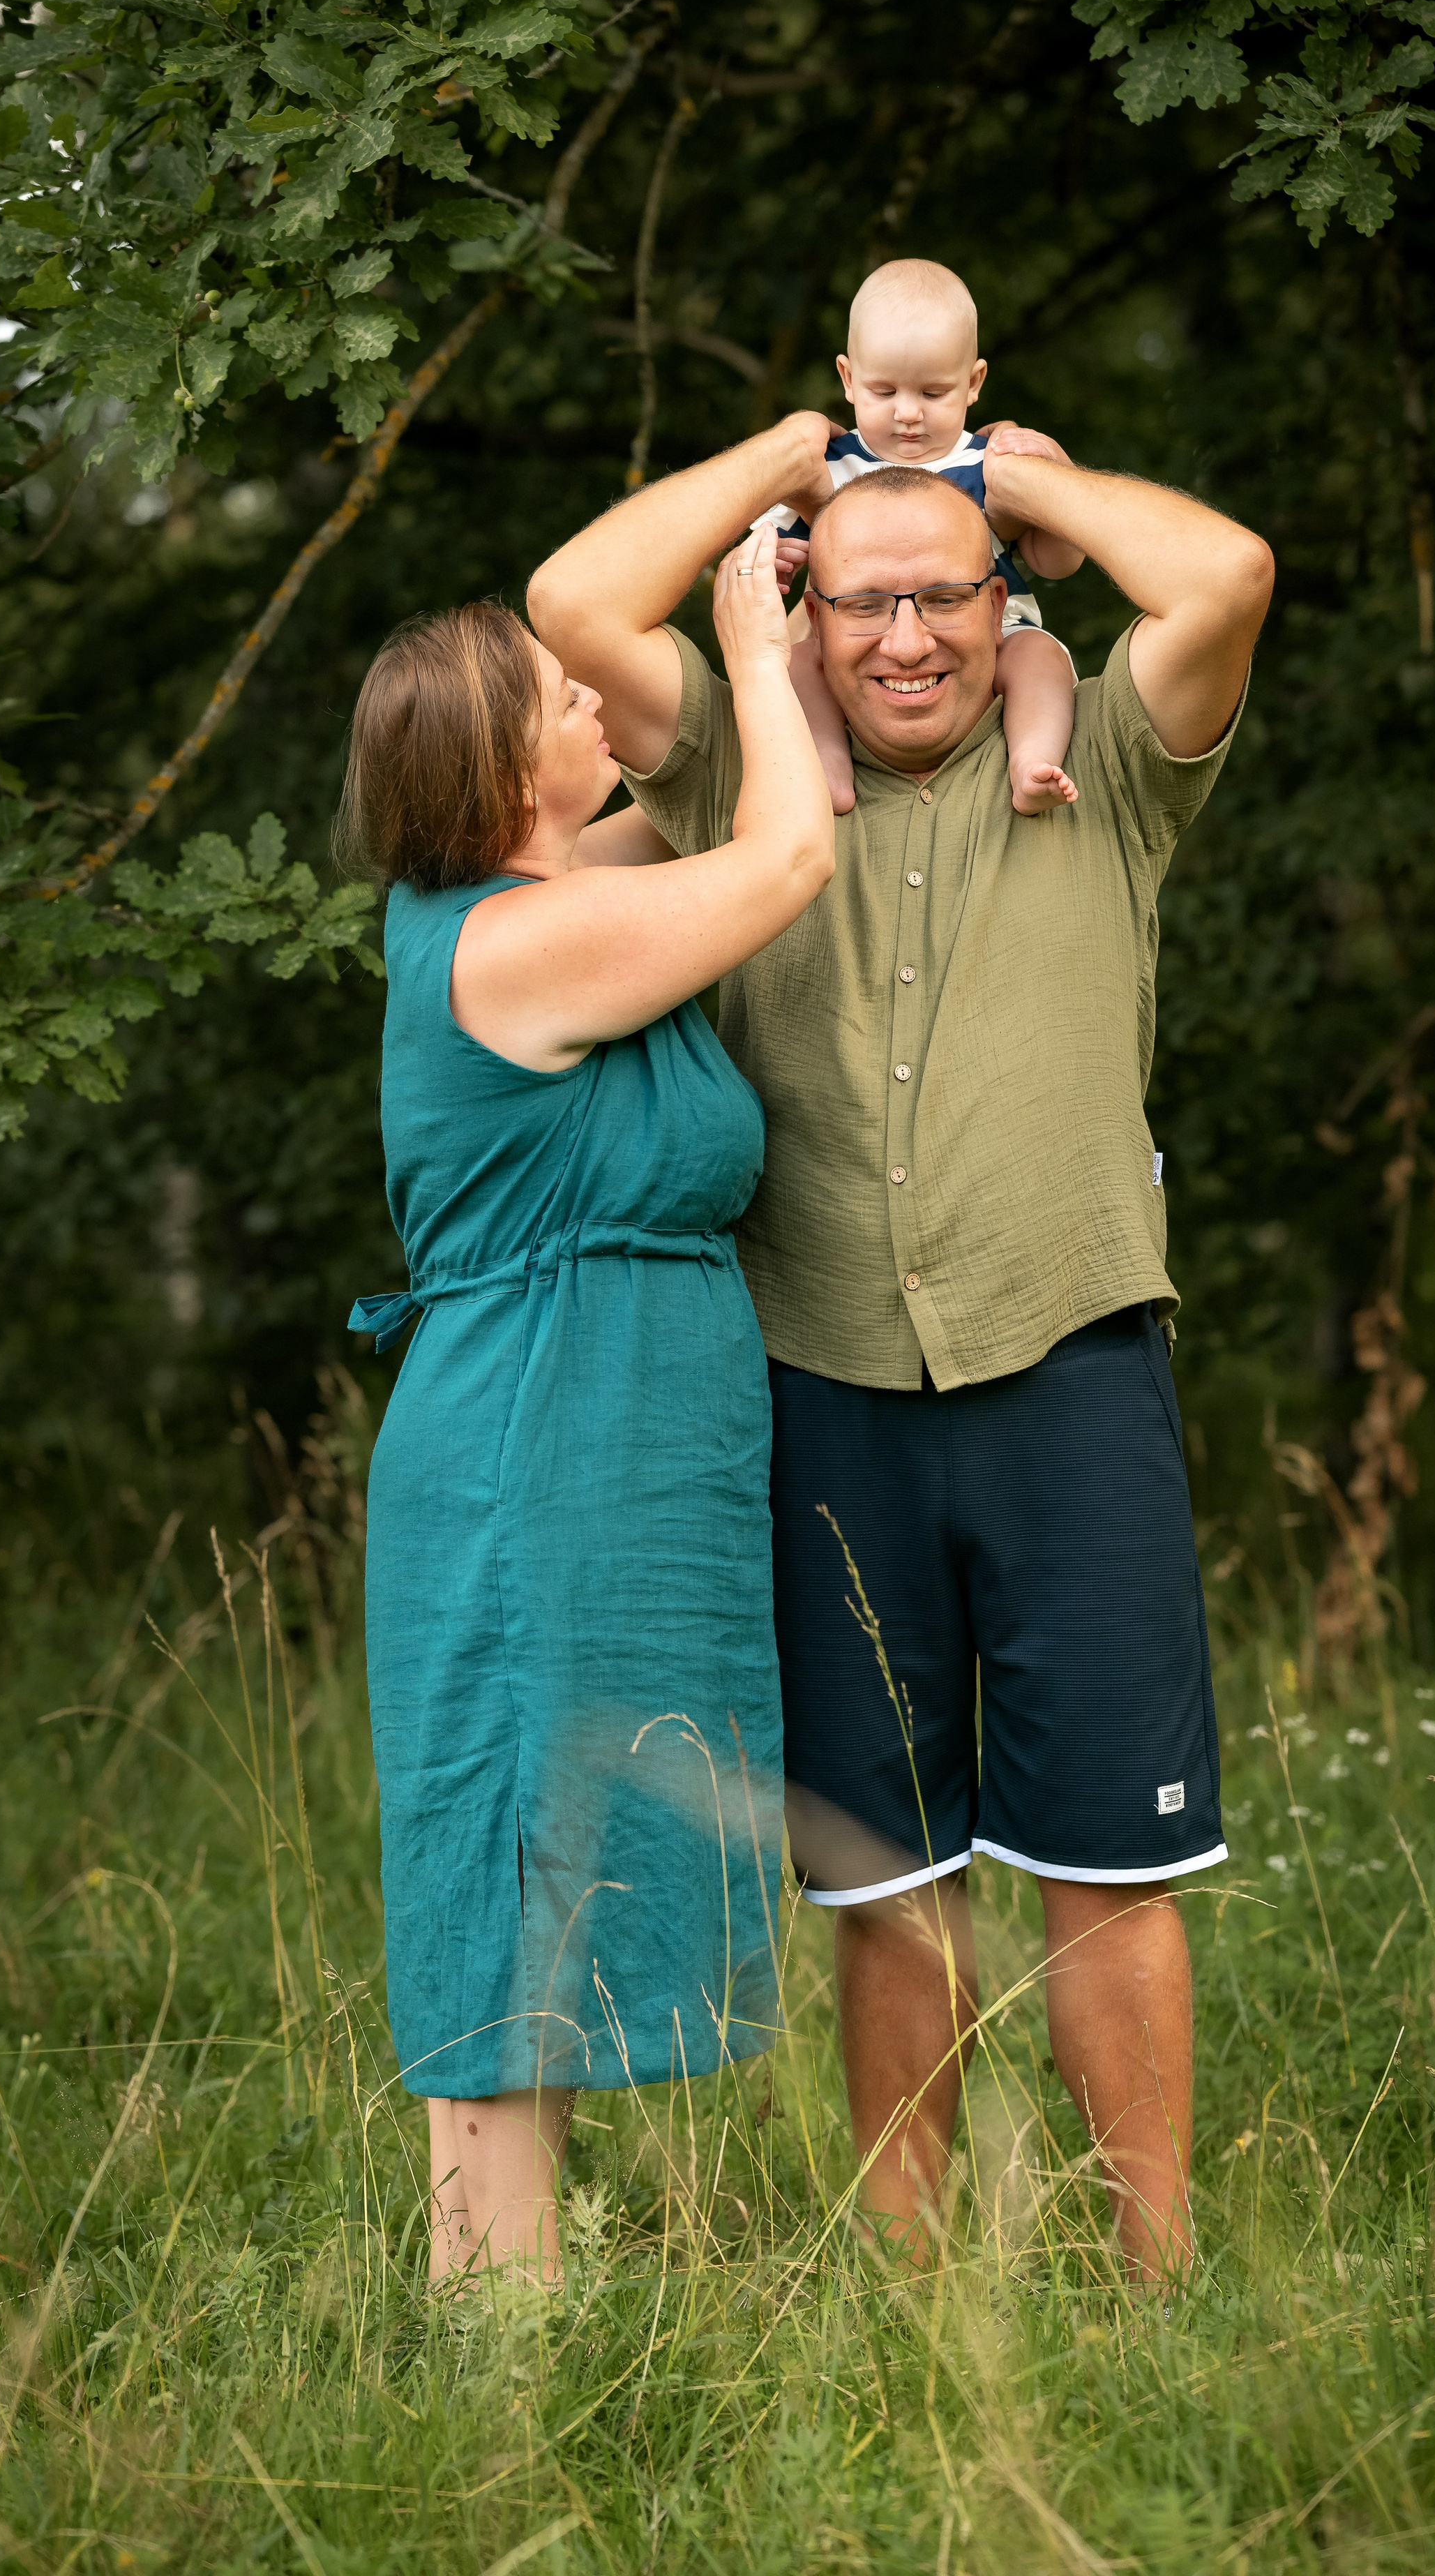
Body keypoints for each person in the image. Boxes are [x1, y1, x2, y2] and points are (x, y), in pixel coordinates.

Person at [529, 412, 1272, 2282]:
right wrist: (800, 457)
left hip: (1072, 1369)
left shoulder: (1101, 755)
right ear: (805, 612)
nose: (909, 638)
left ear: (1002, 594)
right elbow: (572, 601)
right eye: (863, 604)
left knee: (1109, 1864)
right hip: (825, 1392)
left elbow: (1230, 575)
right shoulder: (738, 776)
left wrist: (1007, 484)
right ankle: (917, 2295)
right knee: (888, 1875)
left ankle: (1155, 2282)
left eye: (945, 595)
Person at [339, 528, 832, 2282]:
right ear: (500, 767)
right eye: (562, 692)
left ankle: (520, 2308)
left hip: (612, 1442)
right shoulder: (504, 949)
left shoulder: (559, 901)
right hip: (529, 1451)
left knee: (578, 1846)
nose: (590, 691)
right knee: (507, 1850)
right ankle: (490, 2342)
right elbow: (776, 854)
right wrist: (748, 657)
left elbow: (745, 821)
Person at [755, 259, 1081, 818]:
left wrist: (1055, 472)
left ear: (974, 383)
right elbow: (763, 543)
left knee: (1041, 654)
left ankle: (1033, 761)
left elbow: (1057, 561)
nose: (908, 414)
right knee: (797, 661)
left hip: (996, 626)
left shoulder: (992, 460)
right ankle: (826, 767)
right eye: (884, 391)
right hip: (852, 633)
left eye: (934, 392)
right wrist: (772, 559)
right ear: (848, 378)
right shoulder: (828, 465)